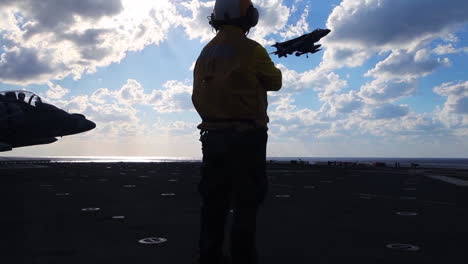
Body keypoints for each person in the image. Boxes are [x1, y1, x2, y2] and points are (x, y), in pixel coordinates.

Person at [192, 0, 282, 263]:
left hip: (211, 138)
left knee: (213, 201)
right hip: (246, 137)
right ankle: (243, 257)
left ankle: (209, 256)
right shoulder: (252, 50)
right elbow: (275, 82)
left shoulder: (205, 53)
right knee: (246, 200)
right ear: (249, 18)